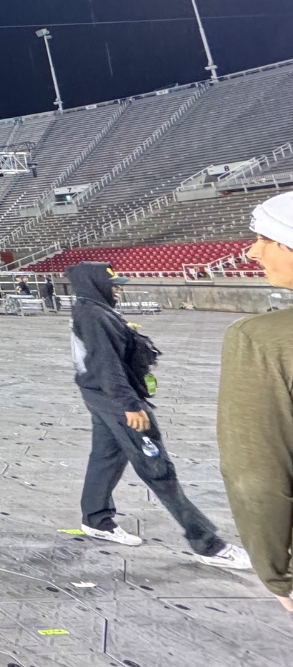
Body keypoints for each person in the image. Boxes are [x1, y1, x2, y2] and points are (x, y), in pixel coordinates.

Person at [67, 262, 249, 569]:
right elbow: (107, 365)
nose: (118, 289)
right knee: (158, 470)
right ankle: (207, 543)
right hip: (116, 399)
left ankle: (96, 519)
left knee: (105, 458)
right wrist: (131, 406)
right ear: (96, 284)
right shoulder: (95, 315)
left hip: (98, 396)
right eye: (113, 284)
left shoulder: (92, 309)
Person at [218, 192, 293, 610]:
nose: (252, 250)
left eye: (266, 238)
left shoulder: (262, 339)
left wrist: (278, 575)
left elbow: (256, 477)